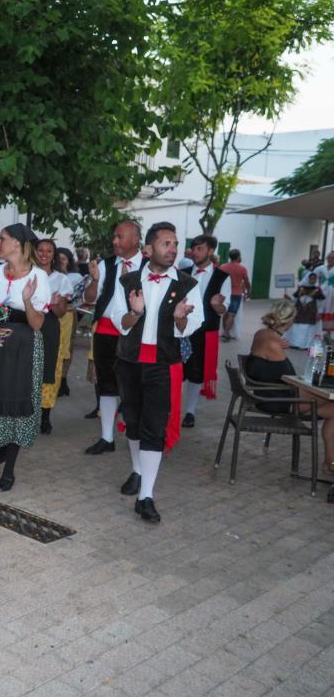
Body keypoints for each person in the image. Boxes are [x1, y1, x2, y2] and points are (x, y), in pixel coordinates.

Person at [113, 222, 202, 523]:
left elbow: (190, 327)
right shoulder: (128, 281)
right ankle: (137, 470)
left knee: (154, 427)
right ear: (149, 249)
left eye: (175, 244)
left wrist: (179, 320)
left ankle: (146, 495)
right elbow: (119, 323)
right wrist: (135, 313)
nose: (173, 249)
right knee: (134, 423)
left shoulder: (188, 285)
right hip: (129, 361)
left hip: (163, 364)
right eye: (166, 243)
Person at [0, 224, 50, 490]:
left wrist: (26, 300)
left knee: (16, 400)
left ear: (16, 243)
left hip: (23, 344)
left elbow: (37, 324)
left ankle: (10, 469)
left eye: (2, 239)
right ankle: (0, 451)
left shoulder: (38, 277)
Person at [247, 300, 334, 472]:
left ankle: (330, 463)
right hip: (277, 399)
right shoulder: (274, 343)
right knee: (328, 398)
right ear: (289, 321)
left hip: (269, 393)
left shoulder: (262, 333)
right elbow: (289, 376)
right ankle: (330, 463)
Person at [82, 220, 145, 455]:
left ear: (135, 239)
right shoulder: (107, 264)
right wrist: (95, 279)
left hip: (135, 333)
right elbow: (89, 298)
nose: (114, 241)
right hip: (106, 331)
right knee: (107, 385)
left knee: (133, 386)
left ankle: (136, 437)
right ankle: (107, 438)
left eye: (120, 237)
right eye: (114, 237)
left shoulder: (149, 266)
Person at [181, 234, 230, 428]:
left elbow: (223, 309)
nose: (194, 252)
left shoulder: (222, 277)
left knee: (197, 372)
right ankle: (172, 407)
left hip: (204, 332)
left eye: (199, 248)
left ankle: (190, 412)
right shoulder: (182, 273)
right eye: (193, 248)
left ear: (210, 251)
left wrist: (217, 305)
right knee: (177, 370)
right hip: (181, 330)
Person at [35, 239, 71, 433]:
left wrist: (53, 303)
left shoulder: (61, 279)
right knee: (27, 368)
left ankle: (45, 417)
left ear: (53, 255)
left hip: (49, 326)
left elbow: (61, 313)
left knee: (49, 369)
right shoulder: (27, 274)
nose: (44, 254)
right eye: (40, 250)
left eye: (49, 251)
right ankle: (27, 414)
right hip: (28, 325)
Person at [56, 247, 83, 397]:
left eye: (64, 259)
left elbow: (80, 299)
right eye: (58, 259)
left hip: (68, 316)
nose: (61, 262)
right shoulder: (51, 275)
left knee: (66, 348)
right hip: (52, 316)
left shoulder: (75, 277)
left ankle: (63, 380)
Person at [286, 273, 325, 349]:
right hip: (299, 311)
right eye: (311, 278)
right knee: (297, 327)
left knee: (309, 329)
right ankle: (295, 343)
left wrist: (320, 313)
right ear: (307, 279)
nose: (313, 280)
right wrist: (288, 298)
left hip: (311, 312)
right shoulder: (301, 289)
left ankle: (307, 345)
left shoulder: (317, 290)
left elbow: (321, 303)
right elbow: (294, 299)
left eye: (314, 279)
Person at [220, 249, 251, 341]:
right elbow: (246, 281)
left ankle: (224, 332)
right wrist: (248, 291)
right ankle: (226, 333)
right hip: (236, 293)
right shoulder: (242, 269)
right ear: (238, 257)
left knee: (225, 313)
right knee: (231, 314)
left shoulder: (223, 267)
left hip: (224, 292)